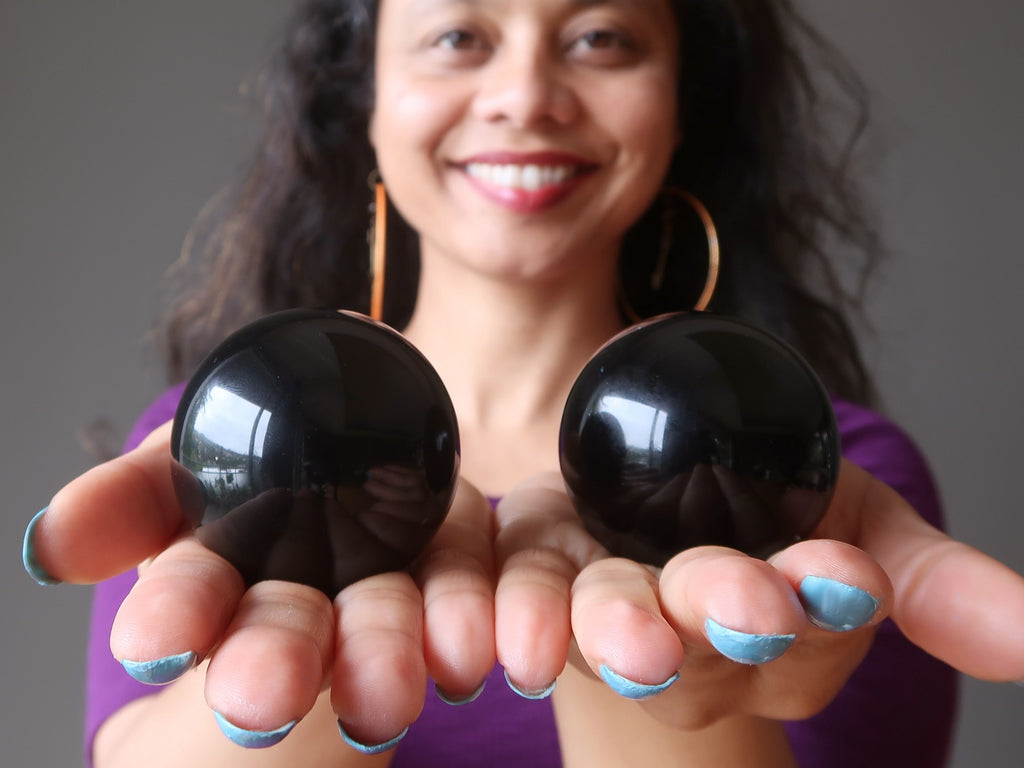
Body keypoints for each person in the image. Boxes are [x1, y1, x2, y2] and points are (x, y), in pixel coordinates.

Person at [21, 0, 1024, 766]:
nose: (525, 96)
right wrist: (301, 650)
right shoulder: (207, 445)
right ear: (365, 103)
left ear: (681, 106)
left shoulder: (828, 484)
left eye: (599, 39)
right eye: (458, 35)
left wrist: (657, 685)